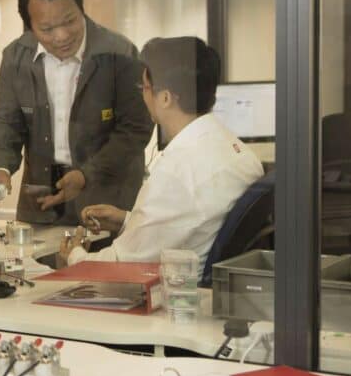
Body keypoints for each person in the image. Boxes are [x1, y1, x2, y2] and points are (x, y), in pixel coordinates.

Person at [59, 37, 264, 271]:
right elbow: (191, 222)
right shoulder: (237, 151)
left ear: (165, 98)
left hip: (169, 293)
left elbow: (121, 268)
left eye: (144, 88)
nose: (143, 96)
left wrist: (74, 255)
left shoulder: (176, 171)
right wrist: (128, 220)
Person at [0, 0, 153, 225]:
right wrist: (0, 167)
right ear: (30, 26)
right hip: (41, 203)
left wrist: (86, 175)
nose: (61, 35)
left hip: (107, 203)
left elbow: (136, 128)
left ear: (82, 10)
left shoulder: (119, 53)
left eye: (70, 21)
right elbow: (5, 120)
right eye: (47, 29)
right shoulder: (16, 57)